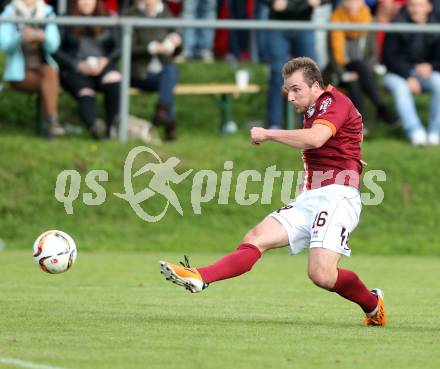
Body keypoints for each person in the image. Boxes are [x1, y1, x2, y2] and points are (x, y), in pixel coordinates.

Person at [159, 57, 387, 327]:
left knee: (321, 274)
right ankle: (200, 276)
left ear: (316, 86)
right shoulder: (313, 111)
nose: (290, 97)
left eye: (296, 89)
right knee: (256, 237)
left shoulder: (333, 102)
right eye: (287, 91)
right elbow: (328, 146)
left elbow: (316, 138)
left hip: (338, 196)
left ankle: (373, 305)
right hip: (313, 196)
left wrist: (268, 134)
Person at [54, 0, 121, 139]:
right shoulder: (65, 19)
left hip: (102, 66)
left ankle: (112, 127)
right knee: (85, 91)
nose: (86, 3)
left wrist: (105, 60)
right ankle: (94, 127)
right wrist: (76, 64)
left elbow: (119, 48)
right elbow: (56, 50)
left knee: (114, 78)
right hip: (75, 68)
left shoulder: (108, 17)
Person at [0, 0, 65, 138]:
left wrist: (43, 37)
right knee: (50, 83)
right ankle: (52, 123)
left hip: (44, 69)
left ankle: (51, 122)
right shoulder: (9, 12)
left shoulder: (47, 12)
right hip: (20, 73)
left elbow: (54, 46)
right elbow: (4, 46)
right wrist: (21, 38)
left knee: (48, 71)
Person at [328, 0, 397, 125]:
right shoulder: (334, 20)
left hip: (364, 71)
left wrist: (365, 71)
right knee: (355, 73)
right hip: (341, 71)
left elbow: (373, 53)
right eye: (350, 2)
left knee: (355, 79)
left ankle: (357, 125)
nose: (353, 5)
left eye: (356, 1)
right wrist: (343, 74)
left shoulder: (370, 20)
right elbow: (332, 55)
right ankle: (381, 107)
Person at [382, 0, 440, 146]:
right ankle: (415, 131)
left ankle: (435, 131)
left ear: (429, 7)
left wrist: (431, 66)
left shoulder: (436, 25)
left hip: (426, 73)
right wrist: (407, 74)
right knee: (400, 87)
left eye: (420, 5)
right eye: (412, 5)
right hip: (397, 73)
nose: (415, 9)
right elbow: (388, 57)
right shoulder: (396, 25)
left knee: (438, 82)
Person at [125, 0, 181, 141]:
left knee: (169, 71)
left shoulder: (167, 14)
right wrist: (151, 48)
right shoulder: (131, 14)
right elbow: (126, 48)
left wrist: (175, 43)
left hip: (162, 72)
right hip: (139, 73)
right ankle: (168, 123)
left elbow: (179, 48)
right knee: (168, 79)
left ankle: (162, 112)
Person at [262, 0, 319, 129]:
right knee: (277, 73)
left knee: (309, 74)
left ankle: (312, 123)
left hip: (304, 22)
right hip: (278, 23)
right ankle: (274, 124)